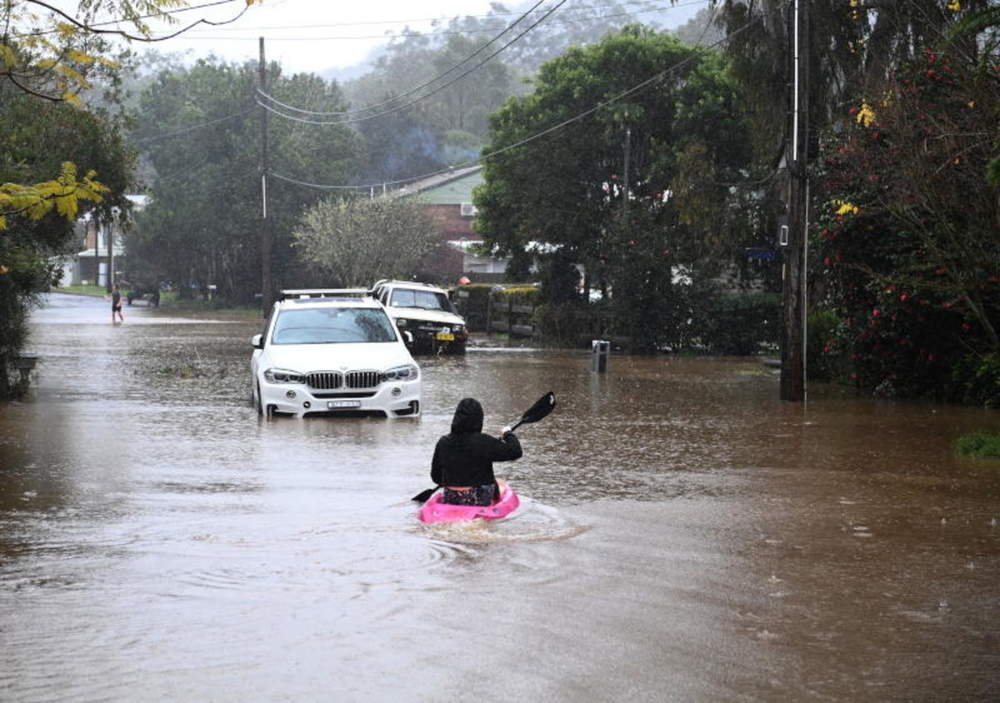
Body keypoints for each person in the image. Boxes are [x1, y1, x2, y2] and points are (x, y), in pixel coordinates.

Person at [431, 398, 522, 506]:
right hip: (478, 497)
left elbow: (436, 477)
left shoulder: (443, 442)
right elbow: (516, 451)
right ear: (479, 419)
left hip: (452, 496)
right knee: (500, 485)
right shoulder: (484, 441)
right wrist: (508, 434)